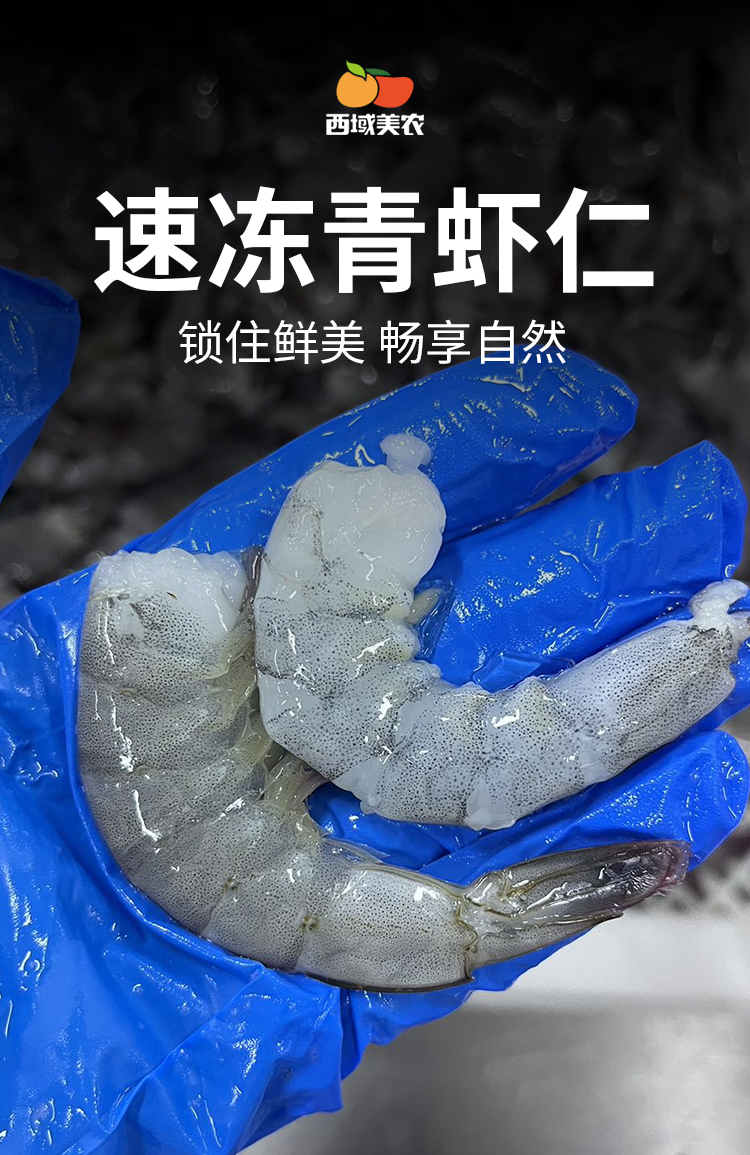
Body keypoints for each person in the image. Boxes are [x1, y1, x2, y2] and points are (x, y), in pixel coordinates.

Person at [1, 268, 747, 1154]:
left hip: (220, 768)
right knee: (501, 760)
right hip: (243, 816)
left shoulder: (183, 629)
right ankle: (708, 641)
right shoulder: (212, 634)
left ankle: (707, 642)